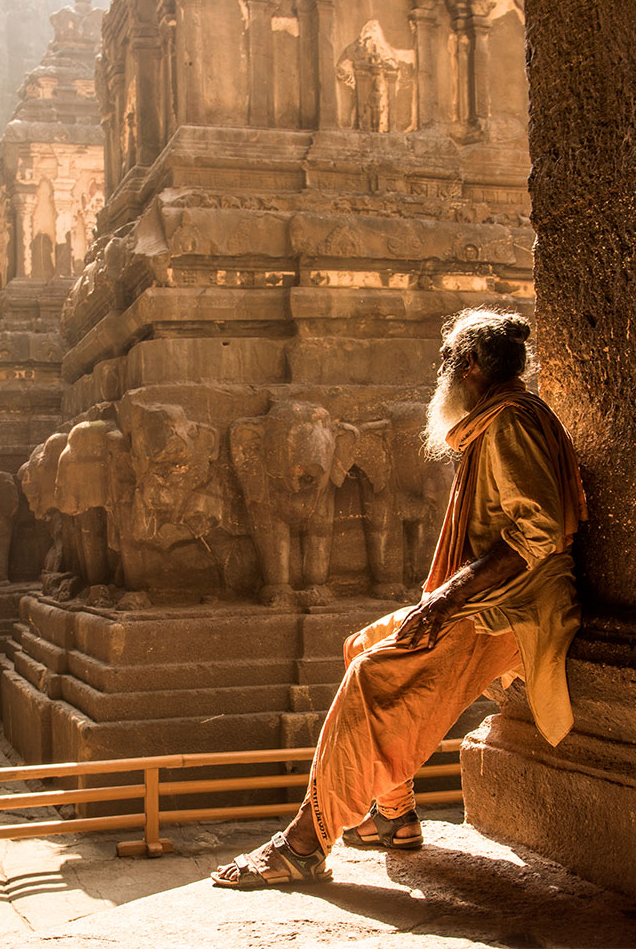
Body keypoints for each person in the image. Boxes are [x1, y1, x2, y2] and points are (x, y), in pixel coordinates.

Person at [212, 306, 587, 889]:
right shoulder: (499, 419)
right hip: (498, 595)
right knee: (362, 642)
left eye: (445, 362)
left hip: (515, 608)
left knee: (371, 674)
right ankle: (395, 816)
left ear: (467, 367)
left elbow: (535, 532)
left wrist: (440, 602)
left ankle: (303, 846)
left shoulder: (511, 423)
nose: (439, 374)